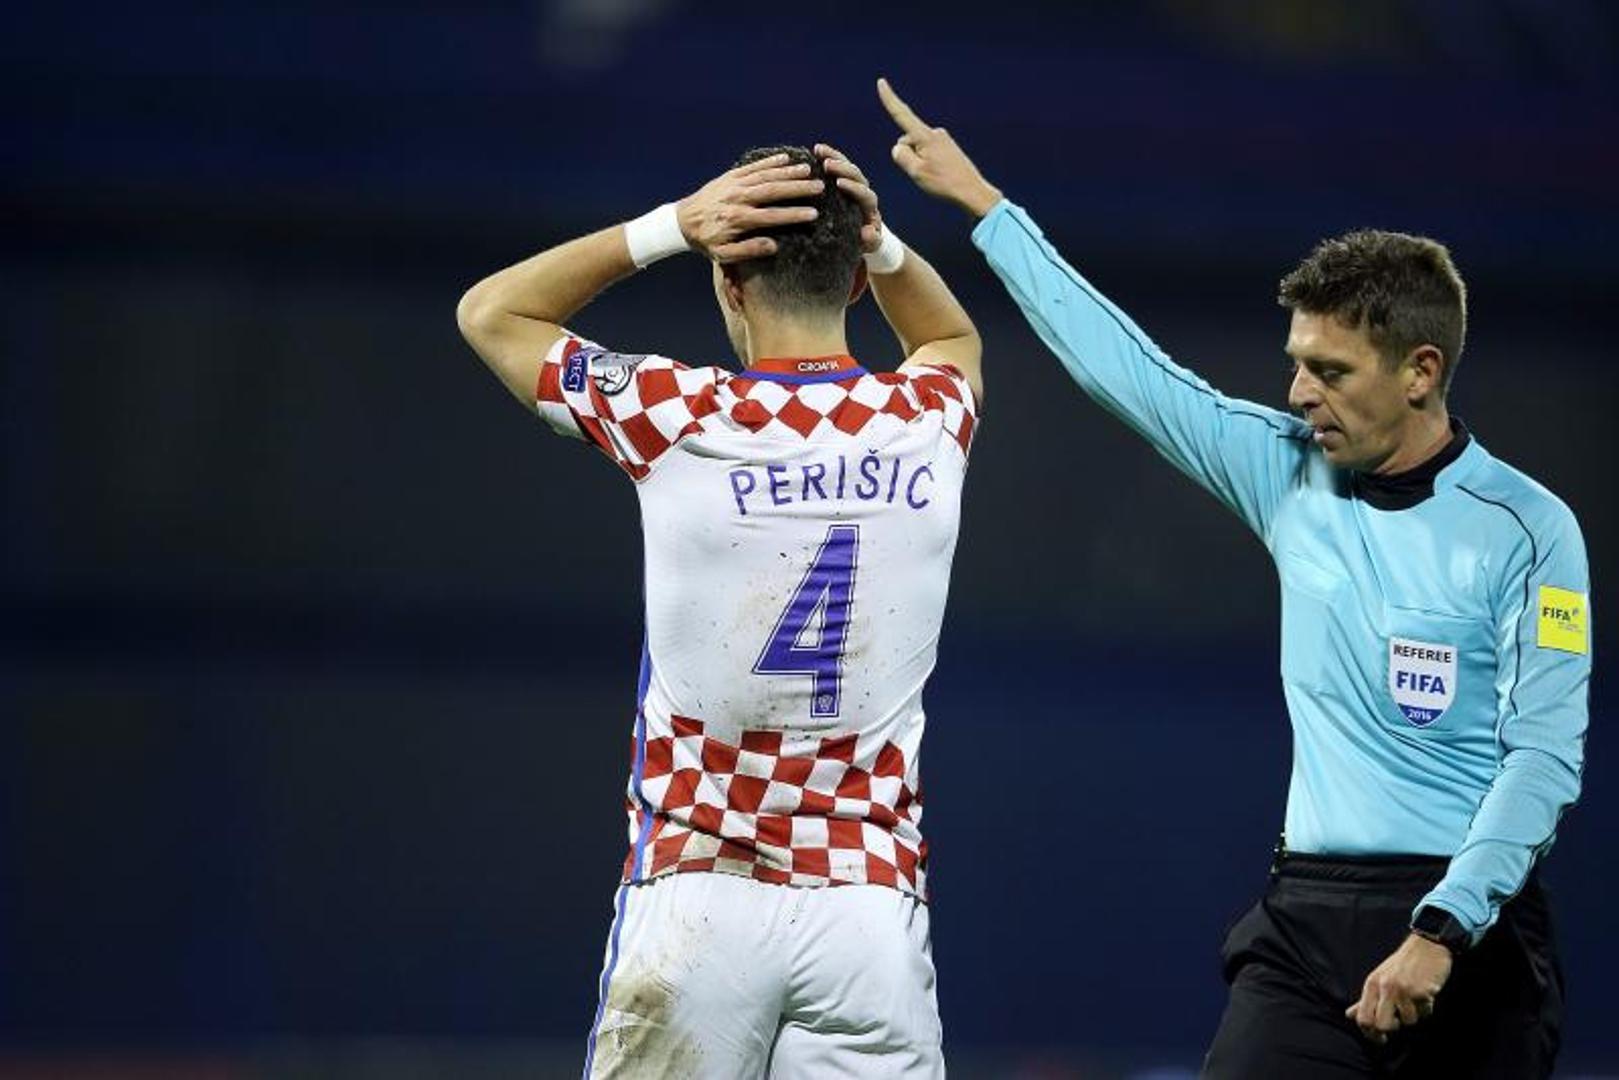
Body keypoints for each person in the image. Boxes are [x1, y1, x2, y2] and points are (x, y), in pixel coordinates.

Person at [874, 78, 1588, 1078]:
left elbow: (1543, 760)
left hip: (1470, 934)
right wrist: (985, 207)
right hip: (1306, 921)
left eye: (1329, 372)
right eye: (1296, 363)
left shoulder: (1529, 530)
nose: (1298, 394)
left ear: (1419, 371)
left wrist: (1442, 928)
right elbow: (1133, 373)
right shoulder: (1284, 471)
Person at [456, 142, 981, 1078]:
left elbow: (490, 312)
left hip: (700, 891)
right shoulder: (927, 418)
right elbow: (953, 338)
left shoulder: (678, 414)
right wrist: (880, 241)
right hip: (868, 908)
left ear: (727, 282)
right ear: (857, 284)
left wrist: (671, 226)